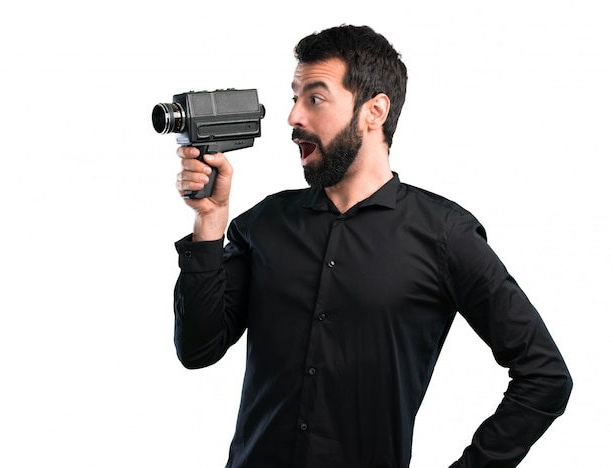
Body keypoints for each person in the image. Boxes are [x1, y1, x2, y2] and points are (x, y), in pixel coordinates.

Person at [172, 25, 572, 468]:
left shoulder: (444, 235)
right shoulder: (265, 223)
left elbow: (545, 376)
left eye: (315, 99)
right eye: (294, 97)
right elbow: (198, 349)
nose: (293, 118)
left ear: (374, 111)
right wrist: (208, 223)